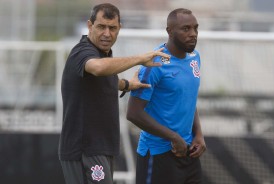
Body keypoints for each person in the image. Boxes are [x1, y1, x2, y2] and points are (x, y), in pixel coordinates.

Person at [58, 3, 170, 184]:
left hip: (101, 148)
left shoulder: (103, 55)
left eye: (112, 28)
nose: (107, 33)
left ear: (119, 29)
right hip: (85, 150)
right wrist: (140, 59)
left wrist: (127, 84)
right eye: (101, 27)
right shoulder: (83, 51)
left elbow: (103, 79)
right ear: (89, 26)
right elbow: (97, 68)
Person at [126, 8, 206, 184]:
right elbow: (133, 113)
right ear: (169, 31)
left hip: (188, 151)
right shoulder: (154, 63)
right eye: (186, 29)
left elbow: (188, 99)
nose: (193, 34)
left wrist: (198, 134)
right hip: (158, 154)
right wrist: (173, 137)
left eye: (195, 28)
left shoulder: (195, 57)